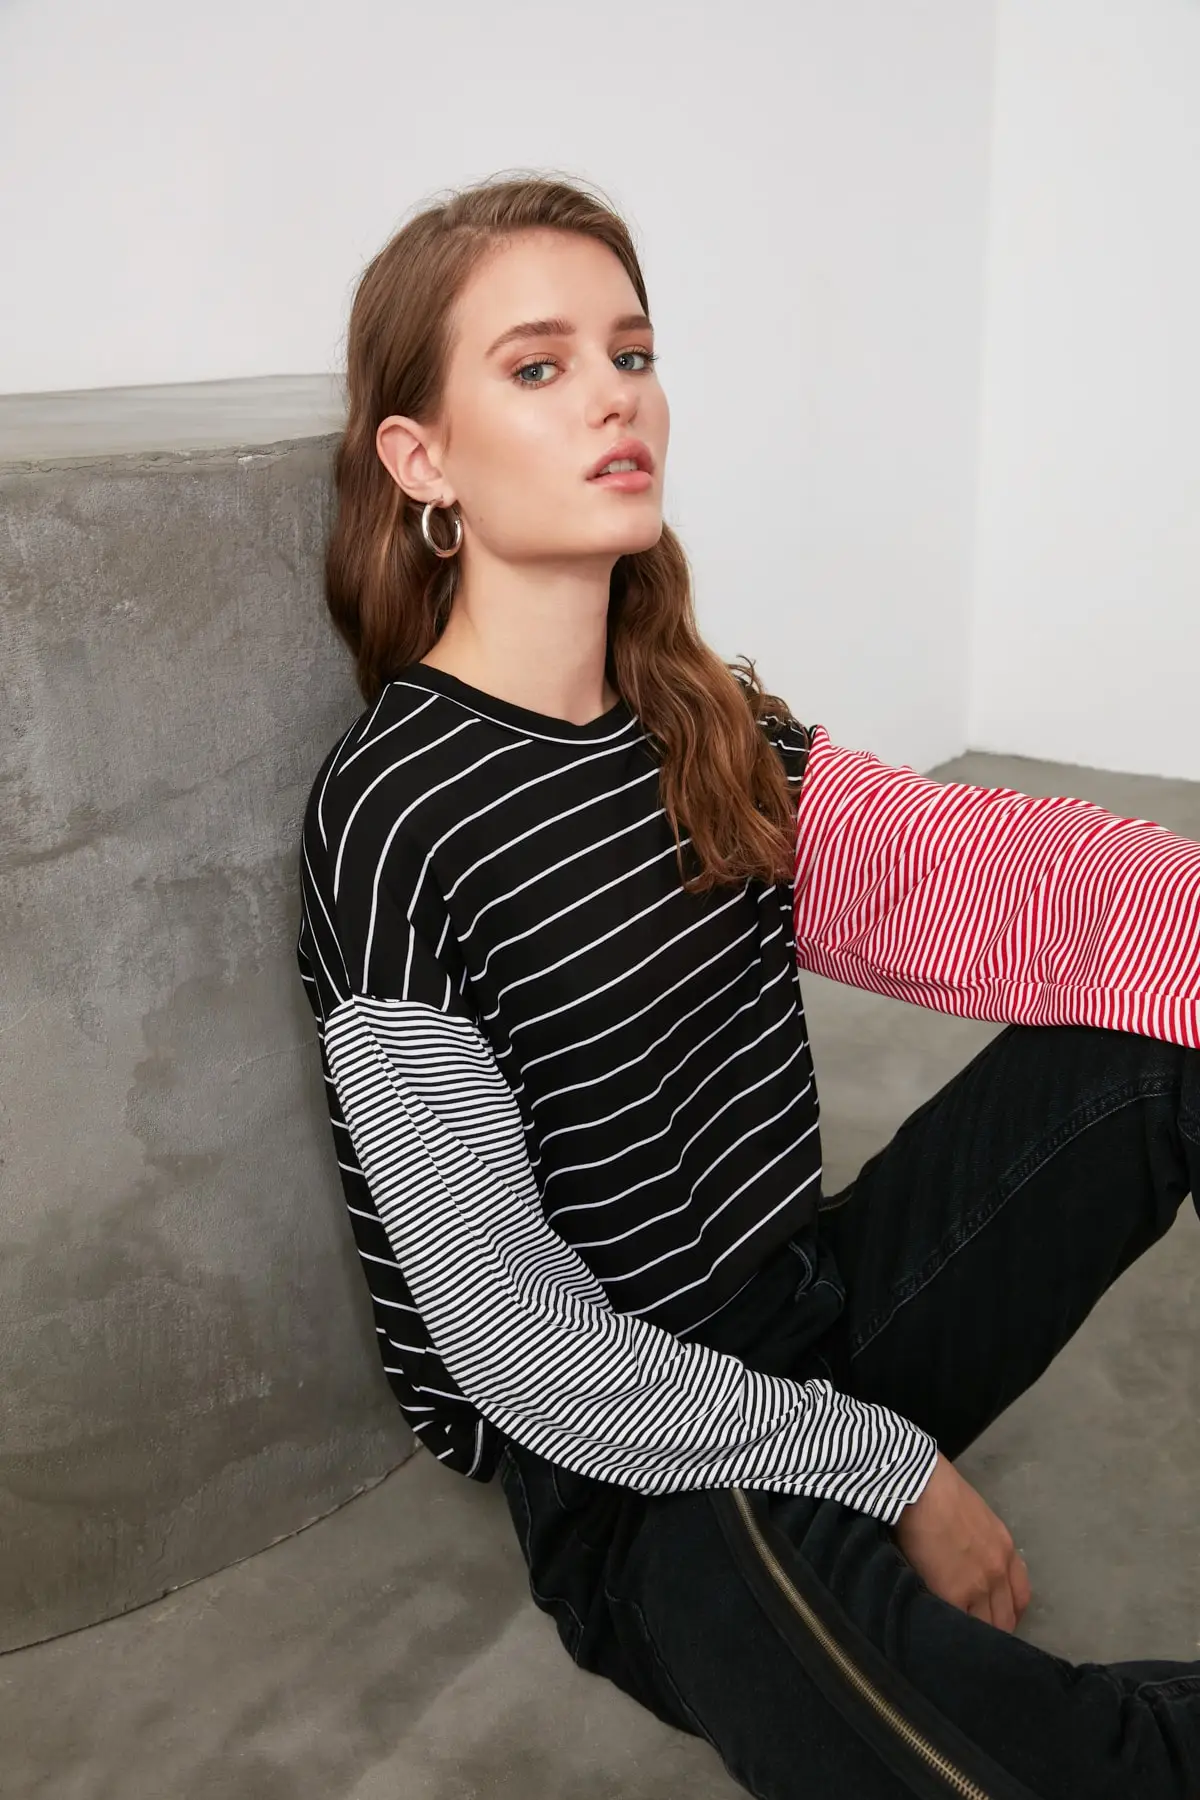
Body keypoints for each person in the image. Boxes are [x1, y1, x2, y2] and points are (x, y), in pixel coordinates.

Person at [295, 172, 1200, 1798]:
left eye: (631, 353)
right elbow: (513, 1341)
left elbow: (997, 879)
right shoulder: (395, 816)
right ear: (423, 462)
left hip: (828, 1315)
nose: (615, 396)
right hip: (644, 1482)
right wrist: (889, 1468)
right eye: (539, 364)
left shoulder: (701, 721)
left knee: (1167, 1032)